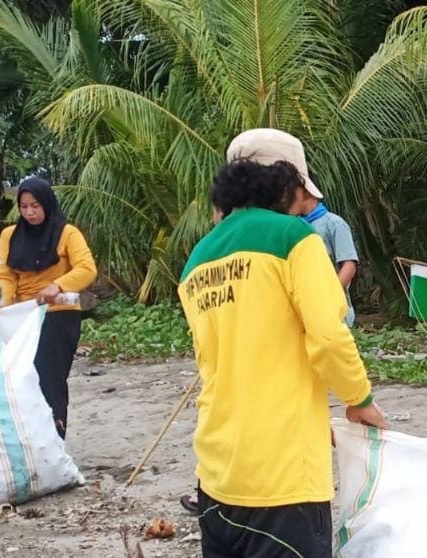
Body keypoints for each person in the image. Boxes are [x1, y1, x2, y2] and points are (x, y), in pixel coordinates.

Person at [178, 142, 388, 557]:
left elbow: (219, 362)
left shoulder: (196, 261)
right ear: (284, 183)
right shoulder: (294, 237)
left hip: (217, 477)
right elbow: (327, 336)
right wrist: (360, 400)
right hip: (282, 479)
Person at [0, 176, 97, 439]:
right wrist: (4, 301)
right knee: (21, 379)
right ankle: (31, 442)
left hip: (58, 314)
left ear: (48, 204)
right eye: (24, 206)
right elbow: (6, 274)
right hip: (21, 317)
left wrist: (59, 285)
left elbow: (87, 269)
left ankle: (54, 440)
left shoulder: (67, 233)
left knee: (50, 380)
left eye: (35, 206)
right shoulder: (9, 235)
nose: (29, 212)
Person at [227, 129, 360, 326]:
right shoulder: (290, 227)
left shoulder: (333, 224)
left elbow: (349, 264)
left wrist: (329, 295)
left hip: (328, 313)